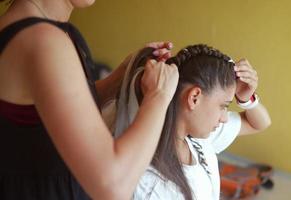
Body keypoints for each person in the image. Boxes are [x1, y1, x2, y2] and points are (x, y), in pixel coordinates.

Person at [0, 0, 179, 199]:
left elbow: (53, 114)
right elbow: (113, 184)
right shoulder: (44, 40)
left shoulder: (54, 32)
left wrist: (119, 78)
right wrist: (158, 95)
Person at [106, 44, 272, 200]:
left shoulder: (197, 136)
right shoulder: (151, 185)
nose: (225, 117)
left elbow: (258, 123)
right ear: (194, 98)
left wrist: (247, 100)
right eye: (223, 106)